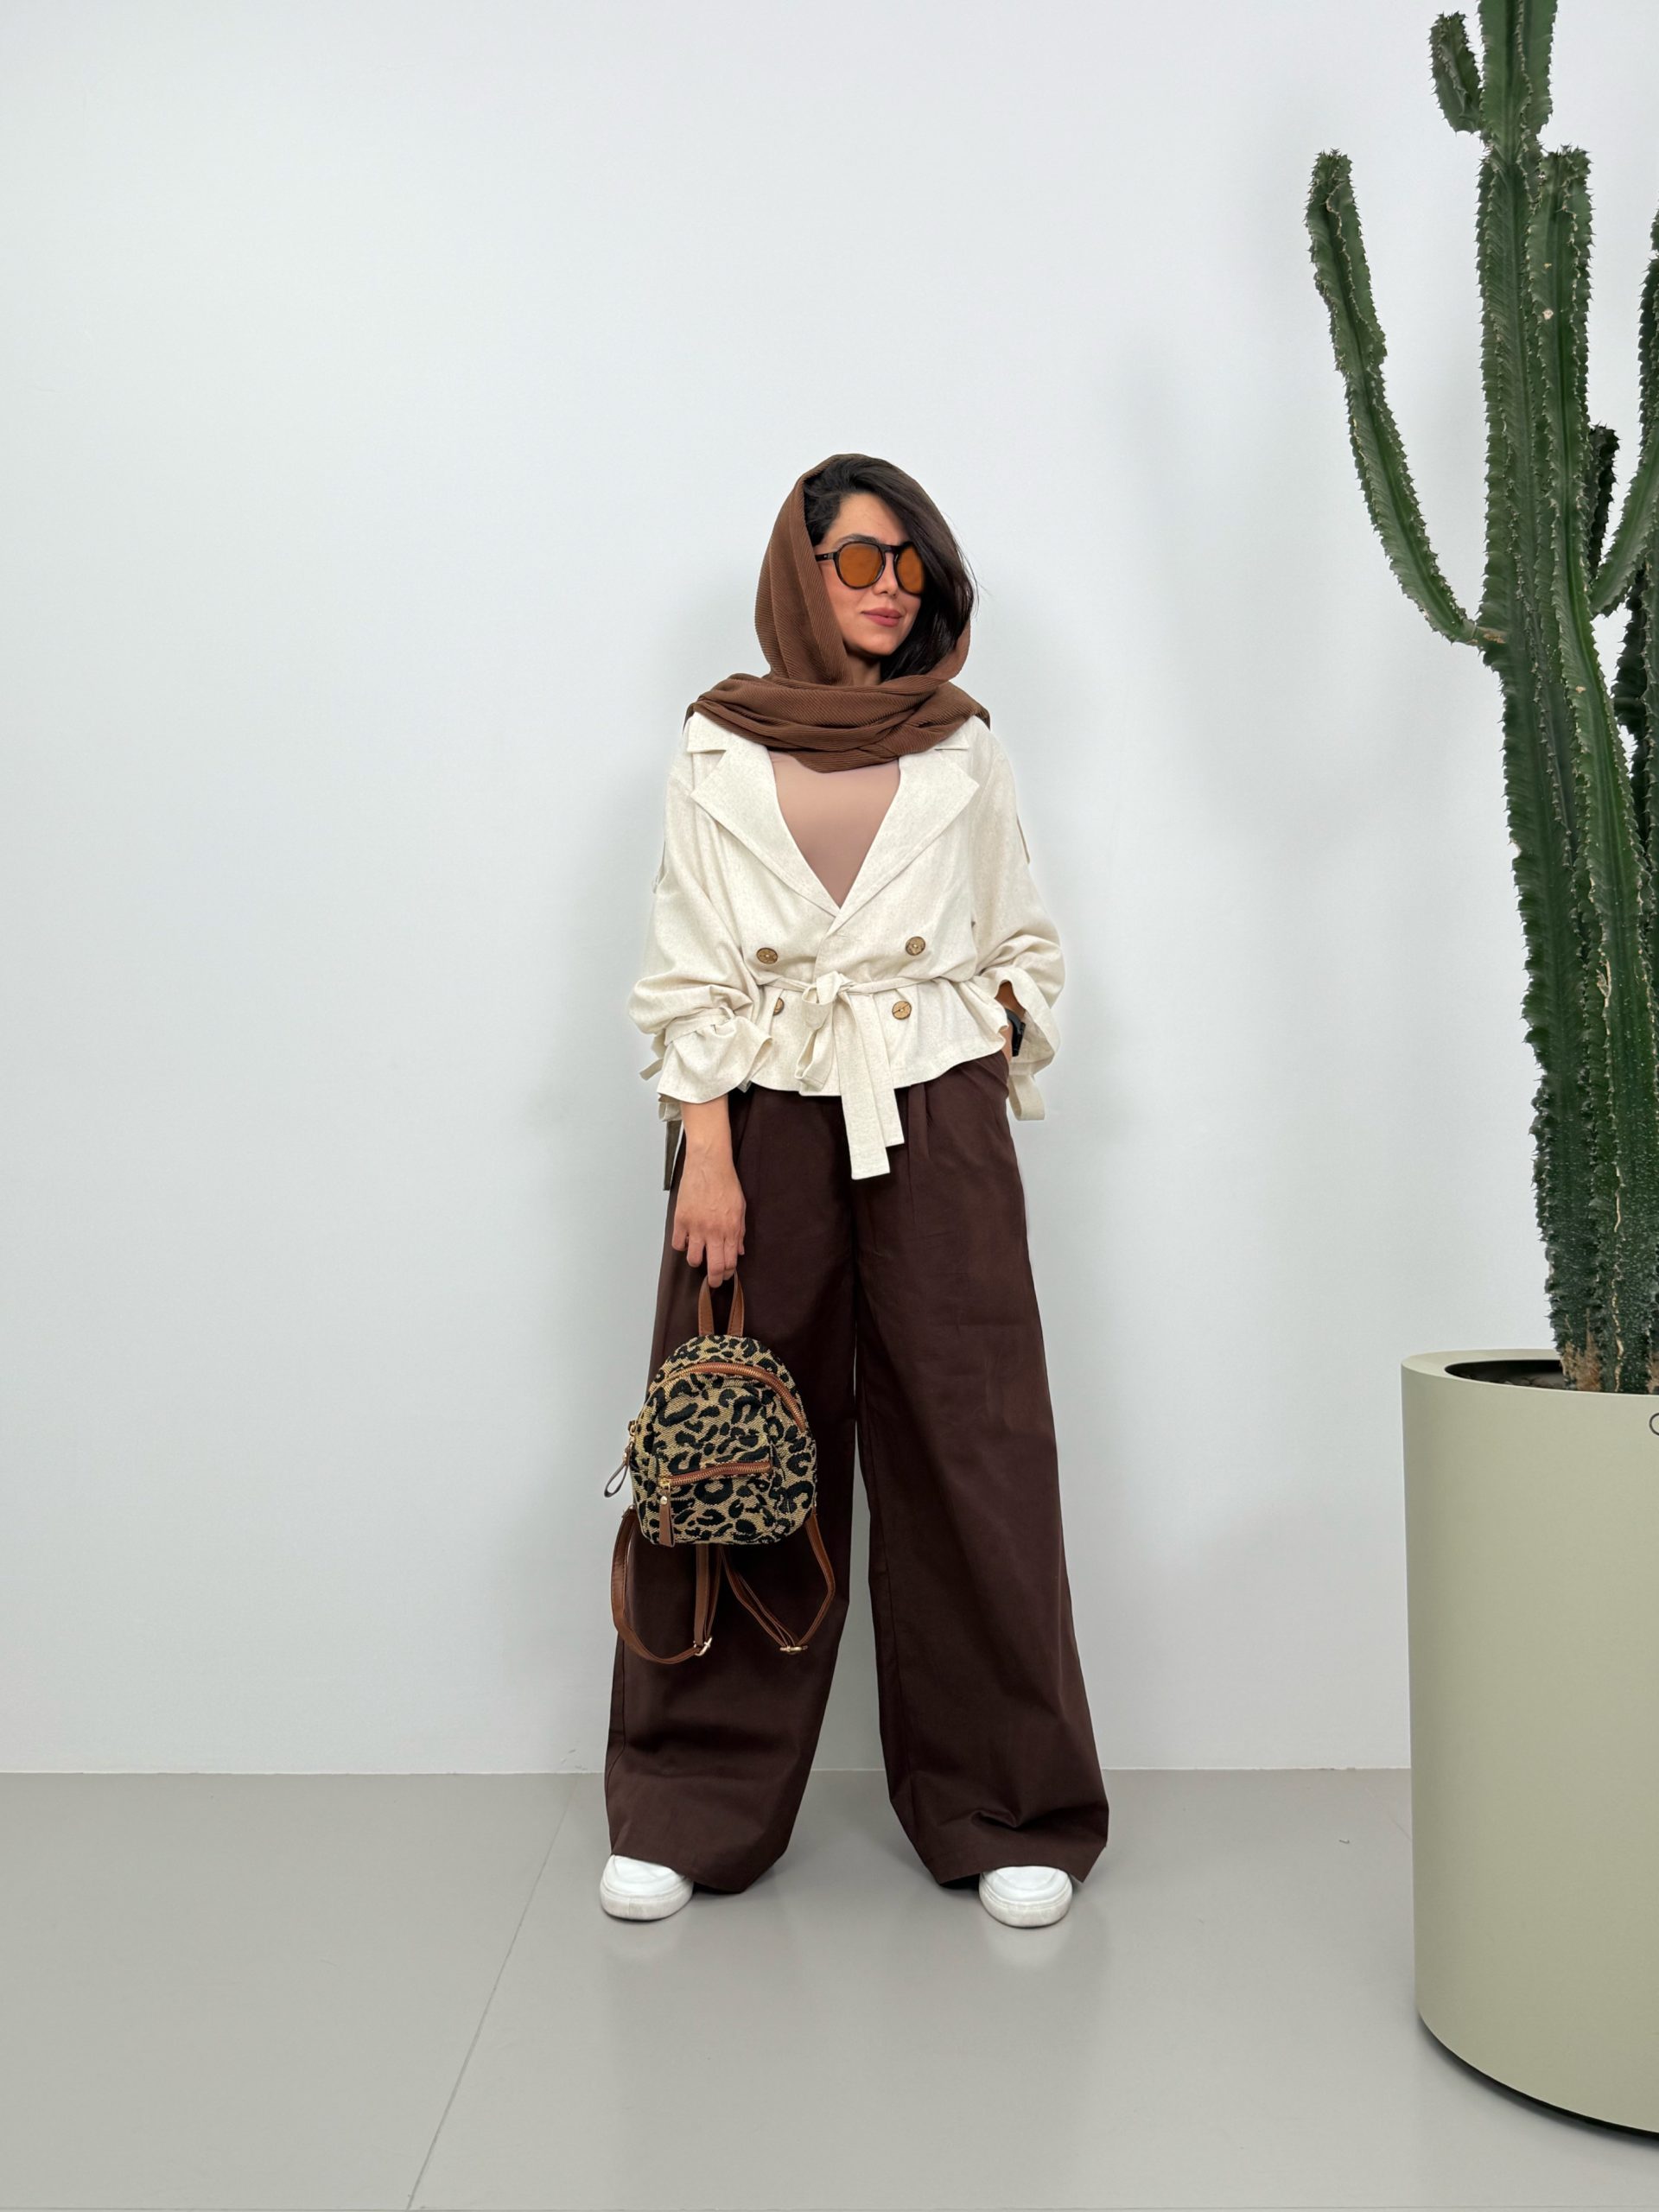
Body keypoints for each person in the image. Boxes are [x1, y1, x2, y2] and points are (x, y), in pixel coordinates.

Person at [602, 452, 1110, 1928]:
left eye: (911, 565)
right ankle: (692, 1800)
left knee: (975, 1447)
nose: (890, 589)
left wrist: (986, 1034)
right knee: (734, 1438)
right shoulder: (717, 742)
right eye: (859, 561)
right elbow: (685, 963)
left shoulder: (963, 742)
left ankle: (1006, 1804)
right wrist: (707, 1150)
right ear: (800, 571)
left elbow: (1024, 935)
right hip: (758, 1116)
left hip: (932, 1107)